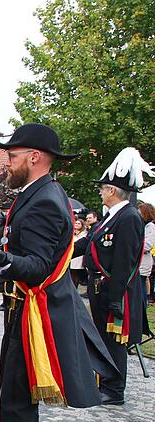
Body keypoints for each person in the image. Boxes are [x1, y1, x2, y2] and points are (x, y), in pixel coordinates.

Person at [0, 124, 117, 422]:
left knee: (16, 401)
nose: (8, 163)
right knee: (14, 396)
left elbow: (38, 266)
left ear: (34, 157)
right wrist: (3, 220)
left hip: (29, 313)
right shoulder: (40, 193)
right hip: (22, 310)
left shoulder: (44, 201)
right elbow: (29, 236)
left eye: (13, 156)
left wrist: (4, 258)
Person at [74, 147, 152, 405]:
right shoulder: (111, 217)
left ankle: (114, 389)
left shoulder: (128, 217)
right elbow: (89, 244)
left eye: (102, 188)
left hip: (114, 290)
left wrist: (117, 296)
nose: (100, 192)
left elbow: (126, 262)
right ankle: (104, 381)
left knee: (114, 341)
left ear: (112, 191)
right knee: (104, 339)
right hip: (100, 287)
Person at [138, 203, 155, 325]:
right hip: (136, 262)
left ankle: (141, 315)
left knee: (141, 287)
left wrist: (133, 244)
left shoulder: (150, 227)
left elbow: (148, 245)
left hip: (143, 263)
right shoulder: (140, 225)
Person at [69, 218, 88, 289]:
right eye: (76, 223)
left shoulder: (84, 234)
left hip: (79, 257)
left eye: (78, 224)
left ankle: (75, 287)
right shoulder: (73, 233)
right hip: (71, 256)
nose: (76, 225)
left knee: (76, 274)